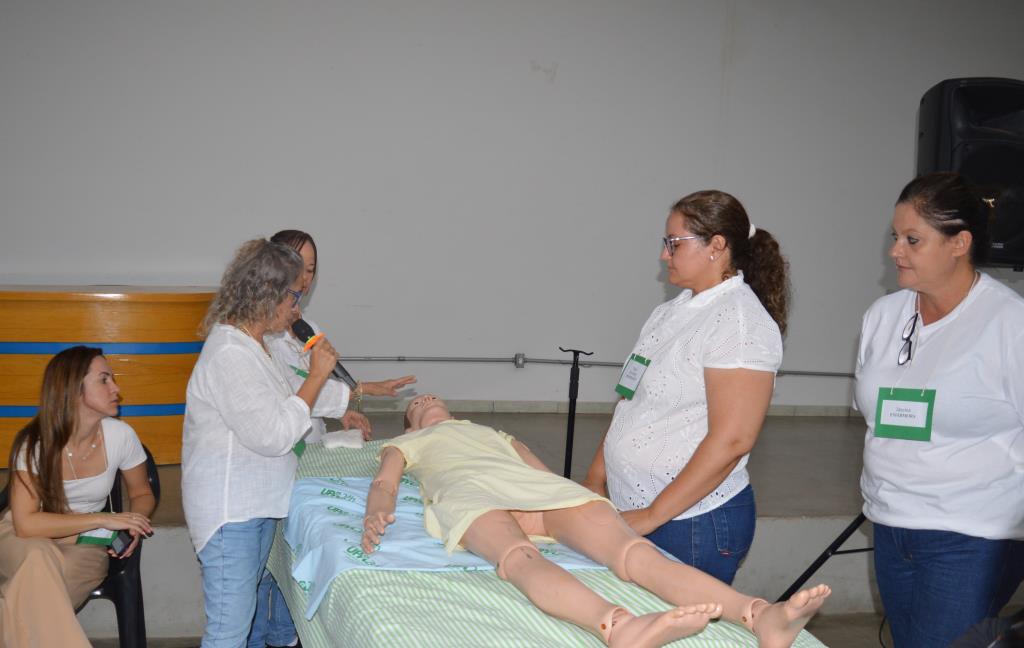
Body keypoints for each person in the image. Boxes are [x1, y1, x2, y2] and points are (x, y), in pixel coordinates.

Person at [362, 395, 830, 648]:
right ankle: (616, 627)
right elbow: (385, 483)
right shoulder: (410, 444)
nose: (426, 400)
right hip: (469, 493)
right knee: (518, 557)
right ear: (411, 426)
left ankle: (759, 615)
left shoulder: (492, 432)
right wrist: (375, 514)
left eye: (430, 398)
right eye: (417, 406)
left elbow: (542, 475)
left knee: (633, 552)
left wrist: (583, 504)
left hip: (538, 494)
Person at [582, 190, 790, 584]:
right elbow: (631, 404)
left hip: (691, 522)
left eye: (674, 244)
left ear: (716, 246)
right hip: (641, 509)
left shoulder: (739, 323)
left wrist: (652, 515)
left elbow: (733, 440)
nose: (665, 255)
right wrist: (595, 480)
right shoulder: (672, 311)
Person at [854, 172, 1024, 648]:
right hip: (891, 522)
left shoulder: (1010, 325)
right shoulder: (882, 316)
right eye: (895, 237)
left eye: (913, 239)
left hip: (970, 534)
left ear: (959, 243)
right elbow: (870, 412)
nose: (895, 251)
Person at [250, 229, 415, 648]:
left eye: (311, 270)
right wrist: (362, 391)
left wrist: (345, 406)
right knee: (263, 568)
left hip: (309, 452)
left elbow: (317, 383)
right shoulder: (261, 334)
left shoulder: (304, 325)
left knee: (287, 558)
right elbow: (294, 389)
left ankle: (285, 636)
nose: (305, 280)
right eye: (298, 269)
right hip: (278, 453)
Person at [182, 239, 338, 648]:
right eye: (293, 296)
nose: (297, 309)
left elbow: (282, 408)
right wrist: (318, 375)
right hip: (231, 513)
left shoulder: (255, 345)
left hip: (256, 506)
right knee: (228, 633)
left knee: (246, 629)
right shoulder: (229, 354)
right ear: (268, 295)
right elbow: (273, 436)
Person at [0, 346, 156, 648]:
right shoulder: (33, 444)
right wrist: (104, 518)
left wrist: (134, 523)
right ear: (73, 389)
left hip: (86, 544)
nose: (116, 388)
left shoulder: (120, 436)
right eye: (104, 380)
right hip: (22, 537)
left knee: (32, 596)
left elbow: (142, 492)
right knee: (36, 555)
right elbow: (26, 526)